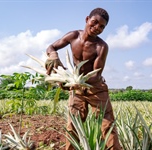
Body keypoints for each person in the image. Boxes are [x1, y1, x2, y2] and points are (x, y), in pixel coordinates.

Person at [45, 8, 122, 150]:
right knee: (73, 125)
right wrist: (53, 55)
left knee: (107, 125)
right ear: (87, 19)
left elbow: (96, 74)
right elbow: (51, 46)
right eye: (94, 23)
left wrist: (77, 83)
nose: (96, 28)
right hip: (77, 90)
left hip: (95, 88)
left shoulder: (101, 47)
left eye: (101, 27)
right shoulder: (73, 36)